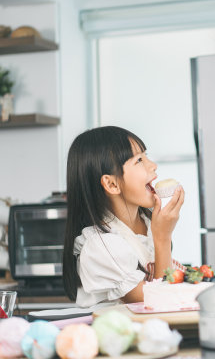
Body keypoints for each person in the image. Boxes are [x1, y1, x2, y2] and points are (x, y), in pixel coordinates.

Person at [62, 126, 185, 307]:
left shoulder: (150, 225)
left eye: (146, 156)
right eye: (139, 160)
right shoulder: (102, 246)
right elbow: (156, 303)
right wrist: (163, 238)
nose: (153, 165)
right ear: (112, 184)